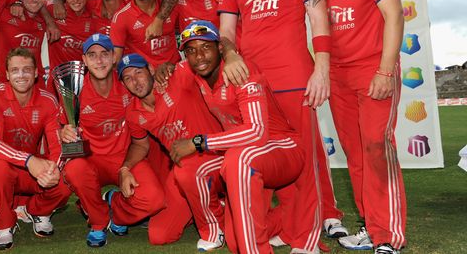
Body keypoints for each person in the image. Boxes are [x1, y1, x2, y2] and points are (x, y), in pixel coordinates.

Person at [218, 0, 346, 245]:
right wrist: (229, 54)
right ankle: (290, 224)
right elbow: (226, 32)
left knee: (305, 160)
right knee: (273, 159)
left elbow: (319, 20)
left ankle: (310, 235)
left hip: (295, 78)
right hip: (256, 86)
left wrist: (321, 68)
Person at [160, 21, 317, 253]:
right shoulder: (194, 70)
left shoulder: (239, 69)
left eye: (205, 47)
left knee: (237, 160)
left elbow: (257, 131)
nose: (198, 56)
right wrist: (162, 67)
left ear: (219, 49)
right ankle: (289, 219)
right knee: (234, 240)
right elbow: (170, 70)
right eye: (190, 50)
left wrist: (198, 142)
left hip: (282, 146)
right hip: (245, 149)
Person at [305, 0, 406, 254]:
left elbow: (394, 14)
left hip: (373, 69)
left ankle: (388, 236)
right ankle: (372, 227)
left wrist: (385, 70)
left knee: (378, 147)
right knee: (357, 155)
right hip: (338, 77)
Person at [60, 34, 164, 247]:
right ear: (84, 60)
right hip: (92, 159)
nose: (99, 61)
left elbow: (150, 85)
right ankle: (98, 223)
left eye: (104, 54)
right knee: (74, 170)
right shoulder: (74, 90)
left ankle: (113, 207)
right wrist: (64, 133)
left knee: (155, 200)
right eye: (92, 55)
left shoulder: (127, 84)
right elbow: (63, 127)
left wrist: (166, 70)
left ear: (114, 57)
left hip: (124, 157)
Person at [118, 53, 225, 251]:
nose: (135, 81)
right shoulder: (133, 112)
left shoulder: (174, 78)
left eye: (138, 72)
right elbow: (140, 145)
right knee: (159, 235)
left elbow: (202, 61)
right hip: (184, 170)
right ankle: (209, 205)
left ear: (151, 69)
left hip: (216, 156)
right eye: (128, 78)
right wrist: (125, 169)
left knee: (187, 171)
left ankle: (213, 224)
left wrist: (170, 65)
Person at [0, 48, 71, 250]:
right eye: (15, 70)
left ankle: (38, 210)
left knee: (65, 179)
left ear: (37, 72)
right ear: (6, 74)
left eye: (27, 69)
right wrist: (29, 160)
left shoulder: (48, 100)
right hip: (9, 167)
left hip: (33, 170)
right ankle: (4, 224)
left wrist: (52, 170)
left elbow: (57, 145)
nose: (21, 75)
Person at [110, 0, 181, 67]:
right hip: (146, 78)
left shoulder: (169, 4)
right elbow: (115, 61)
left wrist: (159, 20)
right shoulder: (121, 17)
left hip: (176, 70)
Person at [0, 0, 49, 86]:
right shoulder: (4, 12)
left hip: (36, 85)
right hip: (7, 85)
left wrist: (50, 22)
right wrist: (15, 1)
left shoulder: (46, 17)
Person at [47, 0, 97, 68]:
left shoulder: (95, 7)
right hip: (58, 77)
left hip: (86, 77)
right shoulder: (55, 10)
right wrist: (50, 23)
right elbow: (37, 6)